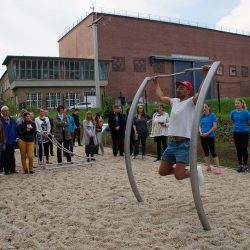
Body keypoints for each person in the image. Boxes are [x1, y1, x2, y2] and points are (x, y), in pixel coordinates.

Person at [152, 65, 210, 185]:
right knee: (162, 171)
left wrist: (206, 75)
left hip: (184, 144)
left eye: (182, 87)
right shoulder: (174, 101)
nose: (178, 89)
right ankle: (193, 171)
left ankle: (195, 171)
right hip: (172, 143)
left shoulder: (191, 102)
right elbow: (160, 96)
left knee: (179, 176)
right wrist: (155, 82)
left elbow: (201, 91)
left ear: (188, 91)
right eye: (178, 87)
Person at [199, 103, 221, 174]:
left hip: (210, 136)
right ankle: (208, 167)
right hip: (203, 136)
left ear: (209, 107)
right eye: (203, 107)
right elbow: (199, 126)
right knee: (206, 151)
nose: (204, 109)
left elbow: (215, 126)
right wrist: (200, 132)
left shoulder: (212, 115)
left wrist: (207, 133)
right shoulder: (202, 116)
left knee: (213, 151)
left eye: (205, 107)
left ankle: (218, 168)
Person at [230, 98, 250, 173]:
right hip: (236, 132)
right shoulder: (233, 112)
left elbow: (249, 122)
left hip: (244, 132)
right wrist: (236, 127)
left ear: (242, 104)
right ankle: (240, 165)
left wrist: (243, 127)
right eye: (236, 103)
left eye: (238, 103)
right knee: (238, 149)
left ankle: (245, 165)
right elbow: (232, 121)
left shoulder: (246, 112)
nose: (236, 104)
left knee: (244, 149)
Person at [0, 106, 18, 175]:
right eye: (4, 111)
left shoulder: (12, 120)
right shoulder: (0, 121)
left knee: (12, 156)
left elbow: (16, 129)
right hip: (3, 142)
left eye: (6, 110)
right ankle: (6, 170)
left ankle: (12, 169)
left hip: (12, 141)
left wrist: (16, 137)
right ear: (1, 112)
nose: (5, 112)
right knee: (5, 157)